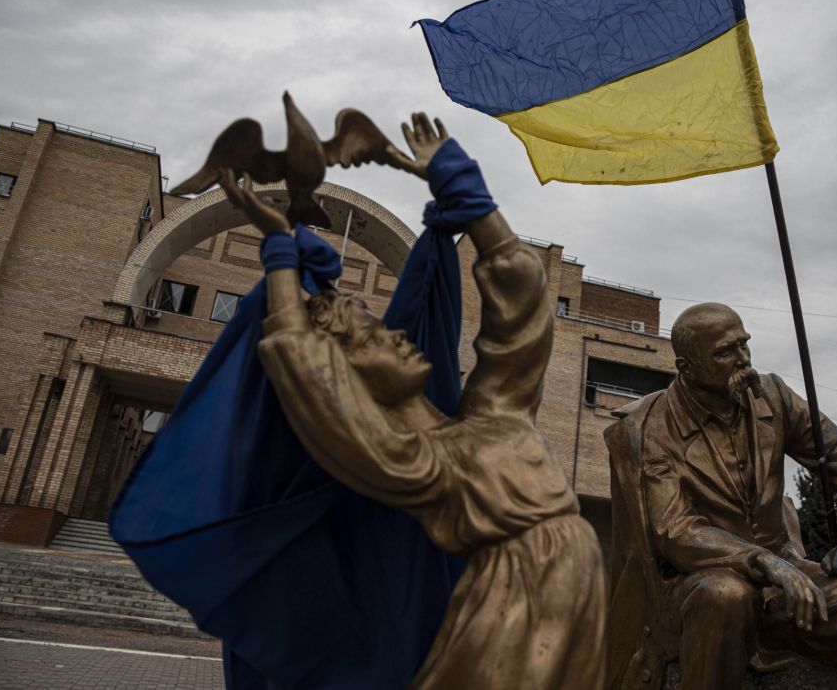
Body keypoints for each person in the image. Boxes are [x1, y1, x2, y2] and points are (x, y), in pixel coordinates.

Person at [221, 115, 605, 690]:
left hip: (577, 607)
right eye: (373, 337)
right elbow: (301, 365)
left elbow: (526, 310)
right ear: (350, 378)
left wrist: (464, 189)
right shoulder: (408, 459)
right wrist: (279, 250)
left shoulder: (494, 413)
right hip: (506, 625)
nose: (395, 333)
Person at [605, 301, 837, 690]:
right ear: (687, 368)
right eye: (725, 352)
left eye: (744, 345)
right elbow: (675, 531)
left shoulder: (773, 396)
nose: (743, 360)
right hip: (693, 585)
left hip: (784, 577)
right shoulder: (651, 428)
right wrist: (763, 562)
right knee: (726, 594)